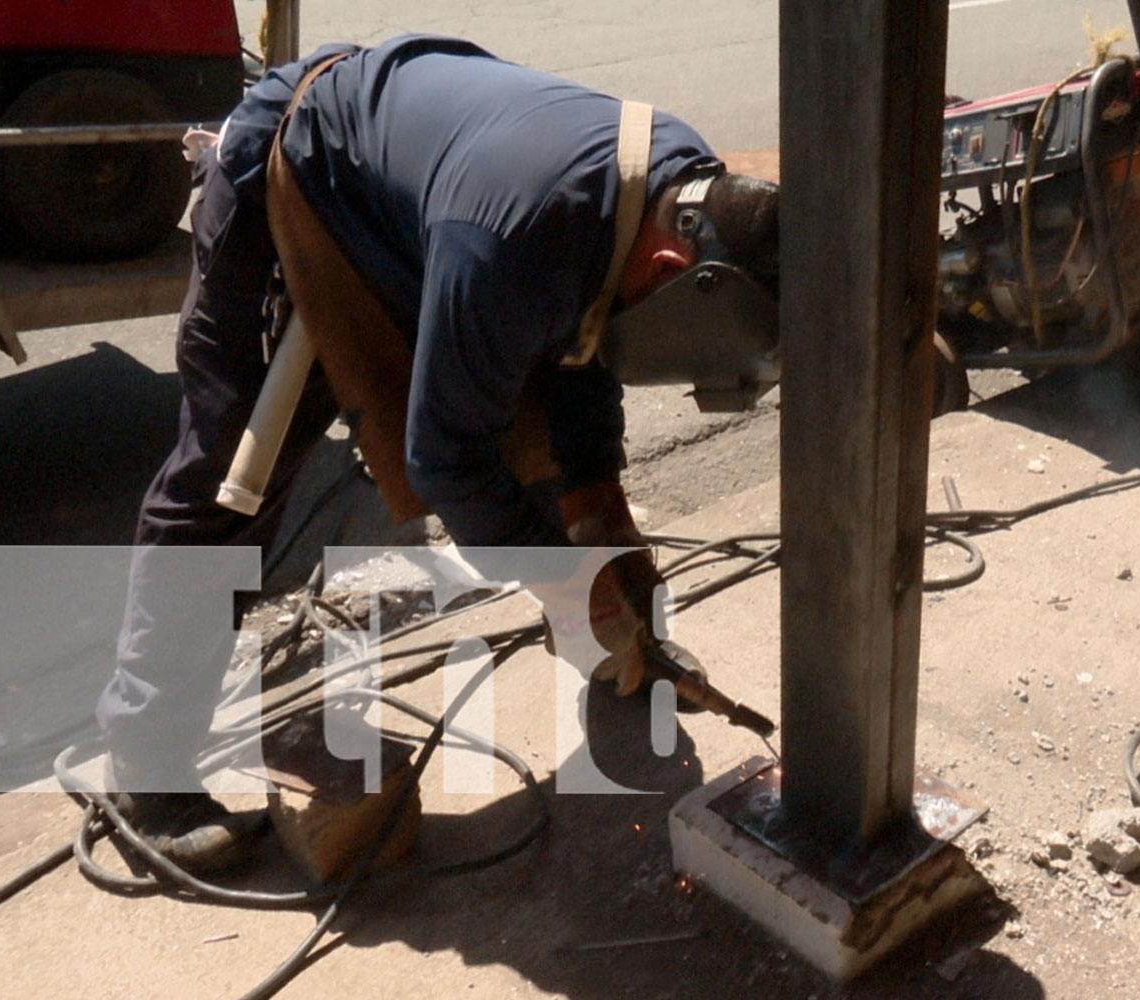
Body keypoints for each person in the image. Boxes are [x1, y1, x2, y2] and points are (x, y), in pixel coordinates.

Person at [93, 34, 780, 874]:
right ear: (676, 263)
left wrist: (608, 551)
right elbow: (444, 456)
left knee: (547, 413)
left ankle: (616, 643)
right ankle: (144, 765)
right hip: (298, 180)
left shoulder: (678, 187)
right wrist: (564, 575)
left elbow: (581, 351)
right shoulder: (522, 233)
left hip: (443, 211)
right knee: (232, 475)